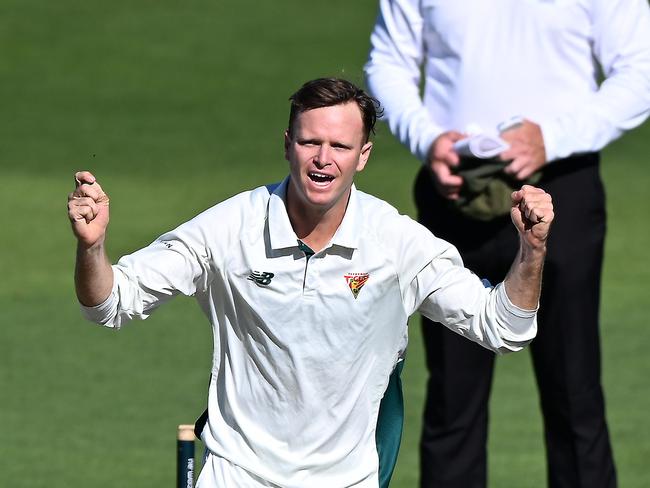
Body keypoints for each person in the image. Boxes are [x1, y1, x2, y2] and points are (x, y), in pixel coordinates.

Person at [67, 77, 554, 488]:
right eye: (309, 142)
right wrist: (92, 247)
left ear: (362, 155)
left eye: (339, 146)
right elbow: (111, 303)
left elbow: (502, 328)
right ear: (287, 143)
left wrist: (531, 252)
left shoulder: (397, 242)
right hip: (236, 473)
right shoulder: (228, 228)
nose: (323, 158)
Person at [364, 1, 650, 487]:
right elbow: (387, 61)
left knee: (574, 393)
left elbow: (640, 71)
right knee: (453, 400)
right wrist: (428, 139)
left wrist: (552, 137)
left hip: (564, 187)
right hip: (453, 188)